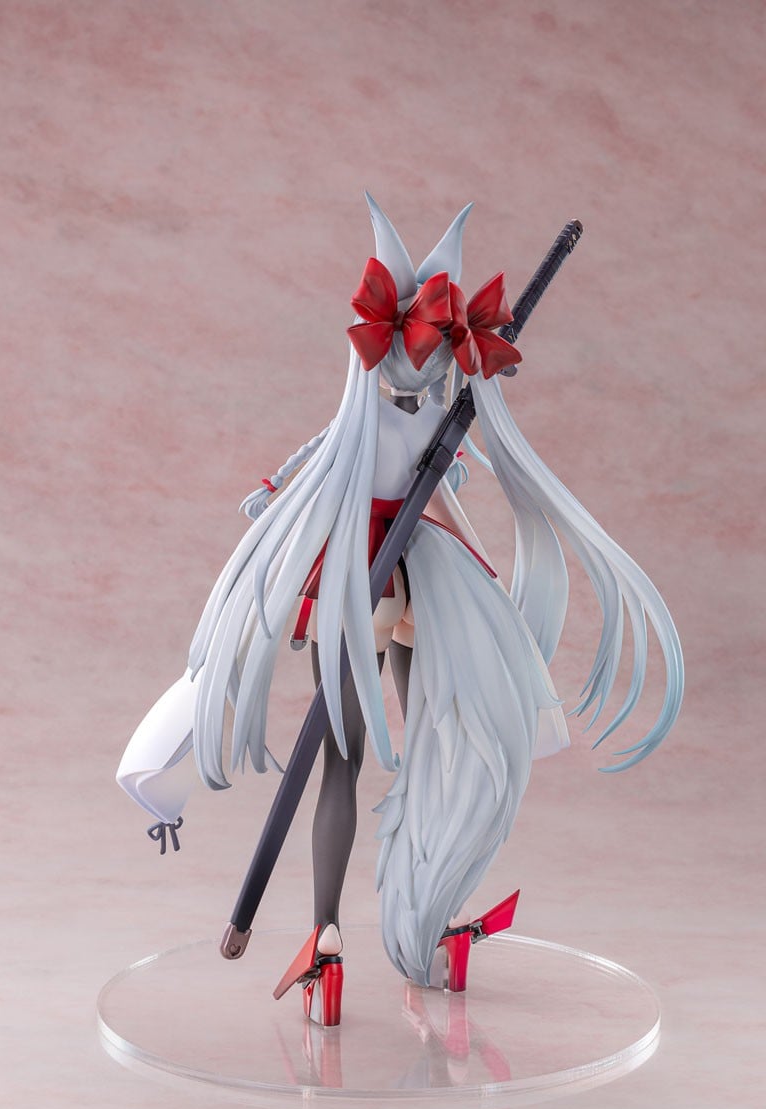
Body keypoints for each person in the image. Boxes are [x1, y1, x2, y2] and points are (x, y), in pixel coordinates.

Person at [118, 196, 684, 1026]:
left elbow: (341, 483)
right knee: (428, 749)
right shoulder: (397, 425)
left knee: (375, 758)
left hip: (386, 585)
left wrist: (295, 507)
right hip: (396, 585)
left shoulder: (378, 424)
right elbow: (349, 485)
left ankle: (336, 939)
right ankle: (418, 925)